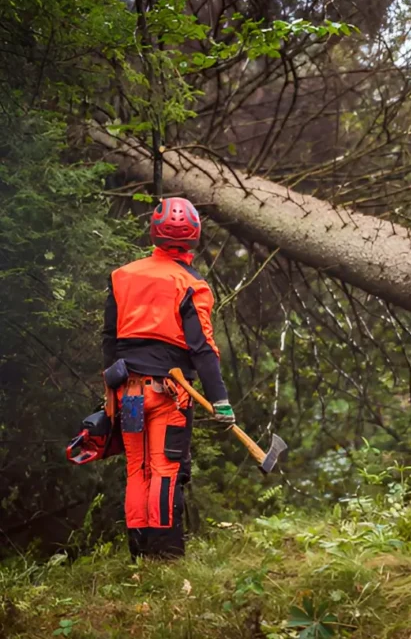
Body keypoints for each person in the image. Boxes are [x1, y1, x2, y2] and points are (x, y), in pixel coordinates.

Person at [102, 197, 235, 559]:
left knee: (136, 469)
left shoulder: (122, 276)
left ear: (155, 232)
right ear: (194, 236)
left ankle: (138, 555)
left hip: (128, 391)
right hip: (168, 394)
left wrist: (109, 393)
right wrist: (220, 400)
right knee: (164, 470)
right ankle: (164, 557)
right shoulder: (191, 283)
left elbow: (109, 340)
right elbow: (202, 347)